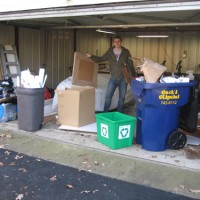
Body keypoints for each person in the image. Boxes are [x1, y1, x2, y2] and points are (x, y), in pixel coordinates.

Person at [87, 35, 136, 112]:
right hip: (113, 78)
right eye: (115, 41)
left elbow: (130, 64)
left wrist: (134, 76)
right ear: (113, 42)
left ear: (121, 42)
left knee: (121, 98)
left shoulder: (126, 52)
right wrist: (91, 56)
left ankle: (119, 114)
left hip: (123, 79)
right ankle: (105, 113)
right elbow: (101, 59)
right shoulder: (110, 51)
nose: (117, 43)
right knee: (108, 97)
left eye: (118, 41)